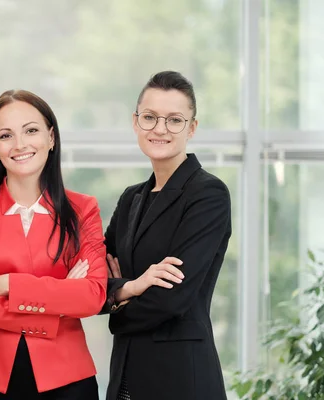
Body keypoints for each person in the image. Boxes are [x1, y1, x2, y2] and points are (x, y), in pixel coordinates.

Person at [0, 89, 107, 399]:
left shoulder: (83, 209)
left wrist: (9, 284)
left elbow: (92, 296)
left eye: (31, 130)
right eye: (6, 135)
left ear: (51, 137)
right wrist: (58, 303)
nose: (20, 144)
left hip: (68, 378)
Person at [103, 71, 231, 400]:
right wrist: (130, 287)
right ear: (135, 123)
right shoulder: (131, 198)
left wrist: (116, 306)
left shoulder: (208, 194)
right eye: (150, 117)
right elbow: (93, 274)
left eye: (174, 120)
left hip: (179, 378)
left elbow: (172, 298)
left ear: (192, 128)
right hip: (125, 376)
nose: (160, 129)